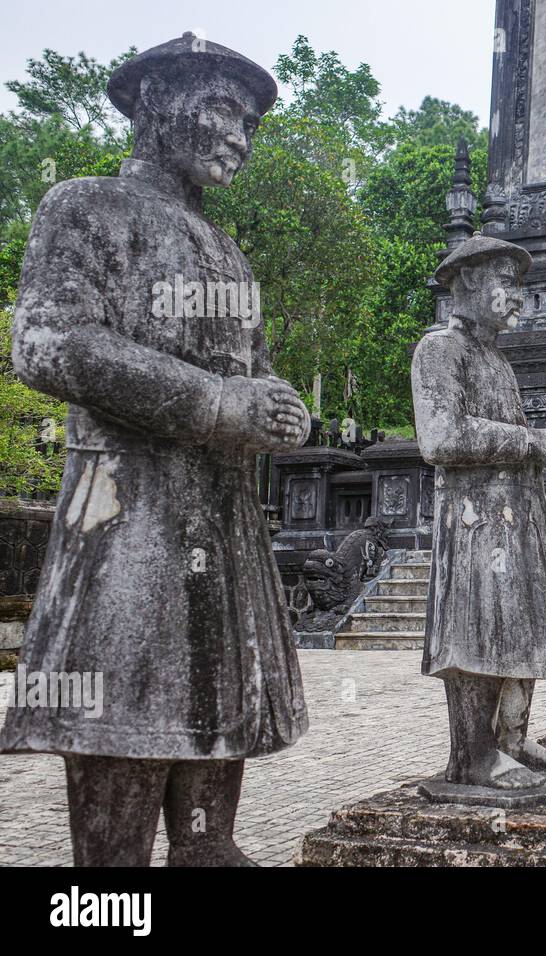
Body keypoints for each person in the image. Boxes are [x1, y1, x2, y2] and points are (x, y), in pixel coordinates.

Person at [0, 34, 309, 866]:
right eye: (221, 110)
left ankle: (207, 850)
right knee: (122, 701)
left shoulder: (229, 255)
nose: (237, 136)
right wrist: (213, 402)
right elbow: (48, 340)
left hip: (222, 515)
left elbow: (257, 370)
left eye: (248, 123)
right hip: (126, 508)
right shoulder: (86, 205)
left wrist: (280, 408)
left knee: (216, 706)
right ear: (151, 102)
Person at [412, 234, 546, 790]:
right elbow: (440, 437)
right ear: (468, 283)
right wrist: (531, 444)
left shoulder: (497, 361)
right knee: (477, 629)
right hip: (475, 521)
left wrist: (534, 450)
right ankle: (473, 754)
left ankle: (511, 736)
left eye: (518, 285)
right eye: (507, 283)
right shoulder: (441, 350)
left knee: (518, 625)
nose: (518, 296)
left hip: (515, 517)